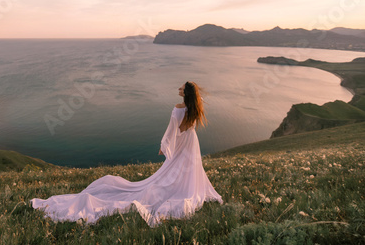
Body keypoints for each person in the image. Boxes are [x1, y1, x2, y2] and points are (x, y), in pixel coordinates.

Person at [30, 81, 223, 227]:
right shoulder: (196, 108)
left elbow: (172, 131)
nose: (178, 89)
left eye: (181, 88)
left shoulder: (178, 109)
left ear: (185, 93)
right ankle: (187, 189)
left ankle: (174, 189)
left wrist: (163, 146)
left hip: (181, 143)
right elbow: (186, 129)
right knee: (187, 170)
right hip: (191, 144)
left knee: (169, 173)